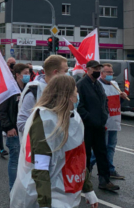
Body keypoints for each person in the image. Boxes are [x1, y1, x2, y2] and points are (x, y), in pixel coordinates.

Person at [10, 75, 98, 208]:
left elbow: (78, 159)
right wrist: (45, 203)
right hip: (45, 193)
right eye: (76, 92)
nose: (78, 95)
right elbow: (41, 167)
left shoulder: (74, 117)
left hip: (66, 192)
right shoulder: (44, 121)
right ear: (67, 95)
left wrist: (89, 190)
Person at [76, 60, 119, 192]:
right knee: (86, 155)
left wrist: (104, 115)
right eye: (95, 68)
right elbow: (79, 105)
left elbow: (104, 100)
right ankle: (84, 181)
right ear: (88, 69)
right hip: (87, 126)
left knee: (102, 153)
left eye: (99, 68)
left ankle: (104, 180)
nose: (97, 71)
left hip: (100, 125)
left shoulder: (98, 84)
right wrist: (89, 118)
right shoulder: (81, 85)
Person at [89, 63, 128, 180]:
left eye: (111, 72)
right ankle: (88, 166)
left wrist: (122, 98)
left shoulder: (114, 84)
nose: (110, 74)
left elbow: (117, 104)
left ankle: (110, 169)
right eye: (108, 72)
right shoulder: (97, 85)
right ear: (101, 73)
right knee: (101, 148)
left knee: (111, 147)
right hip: (103, 122)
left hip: (114, 120)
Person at [17, 55, 68, 136]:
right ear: (55, 72)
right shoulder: (34, 92)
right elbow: (21, 124)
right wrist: (46, 132)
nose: (67, 74)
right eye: (65, 71)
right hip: (42, 145)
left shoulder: (62, 90)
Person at [0, 63, 30, 191]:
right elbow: (2, 111)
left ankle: (23, 189)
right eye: (25, 73)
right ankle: (13, 190)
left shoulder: (29, 88)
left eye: (29, 73)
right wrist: (9, 127)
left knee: (26, 162)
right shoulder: (10, 90)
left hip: (27, 131)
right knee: (14, 160)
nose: (28, 75)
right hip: (14, 131)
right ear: (17, 75)